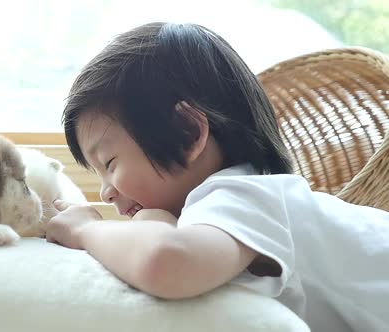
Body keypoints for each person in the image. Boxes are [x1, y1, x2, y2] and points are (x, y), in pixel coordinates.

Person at [44, 22, 389, 332]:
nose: (105, 193)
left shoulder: (239, 193)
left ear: (187, 132)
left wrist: (86, 230)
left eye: (110, 162)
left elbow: (165, 263)